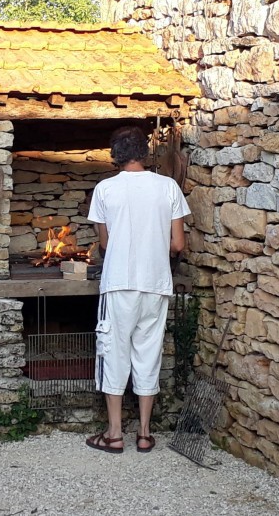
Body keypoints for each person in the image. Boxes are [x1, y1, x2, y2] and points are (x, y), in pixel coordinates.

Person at [85, 125, 190, 454]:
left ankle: (114, 434)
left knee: (113, 353)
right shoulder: (169, 187)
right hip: (156, 285)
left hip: (118, 285)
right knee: (149, 354)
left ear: (115, 154)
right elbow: (177, 244)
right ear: (145, 152)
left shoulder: (105, 190)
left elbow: (104, 243)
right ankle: (144, 434)